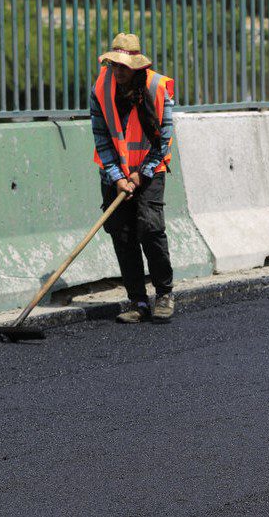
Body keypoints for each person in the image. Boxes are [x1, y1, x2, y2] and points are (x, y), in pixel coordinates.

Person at [90, 32, 177, 323]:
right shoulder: (100, 89)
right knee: (123, 235)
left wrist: (141, 174)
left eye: (124, 66)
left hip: (149, 171)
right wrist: (117, 177)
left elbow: (163, 140)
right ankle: (137, 301)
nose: (118, 71)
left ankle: (164, 293)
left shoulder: (157, 88)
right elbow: (101, 138)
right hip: (116, 174)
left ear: (137, 66)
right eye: (114, 65)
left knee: (150, 230)